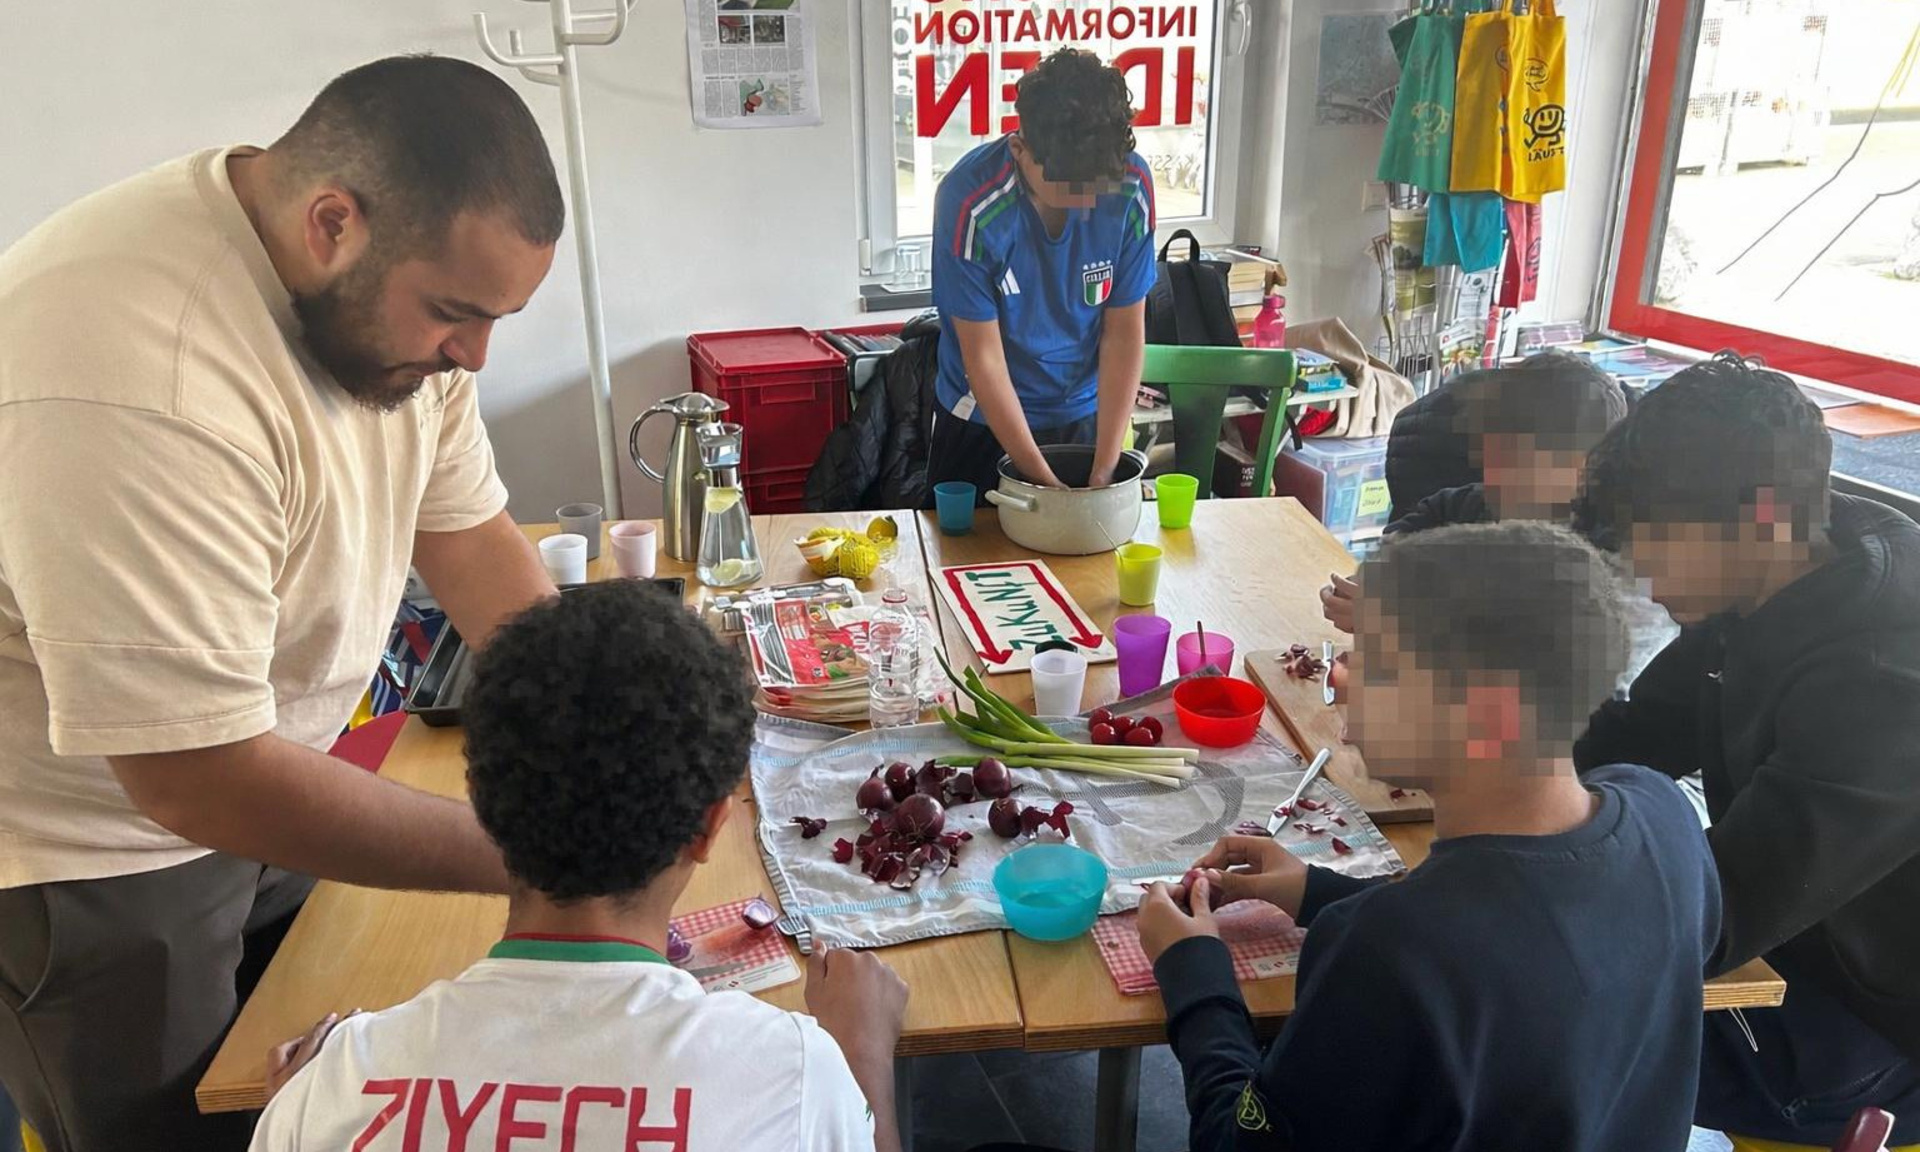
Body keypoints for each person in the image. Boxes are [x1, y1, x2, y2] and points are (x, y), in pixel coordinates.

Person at [0, 56, 566, 1151]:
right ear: (333, 224)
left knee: (306, 1091)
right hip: (101, 849)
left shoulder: (389, 324)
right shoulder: (135, 370)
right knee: (172, 1129)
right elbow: (193, 778)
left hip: (276, 765)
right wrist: (541, 857)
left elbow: (470, 536)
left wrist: (600, 714)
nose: (475, 356)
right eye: (456, 314)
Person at [250, 581, 909, 1151]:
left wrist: (303, 1112)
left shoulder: (331, 1086)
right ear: (709, 828)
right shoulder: (794, 1071)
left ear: (483, 801)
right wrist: (863, 1055)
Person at [1140, 521, 1722, 1152]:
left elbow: (1241, 1145)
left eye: (1378, 663)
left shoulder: (1385, 951)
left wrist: (1194, 973)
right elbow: (1524, 944)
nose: (1341, 680)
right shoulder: (1662, 812)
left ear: (1489, 714)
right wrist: (1319, 891)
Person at [1573, 354, 1920, 1150]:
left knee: (1524, 1030)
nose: (1644, 573)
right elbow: (1632, 735)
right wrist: (1472, 747)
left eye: (1655, 541)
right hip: (1786, 940)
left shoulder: (1885, 679)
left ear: (1762, 517)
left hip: (1875, 1025)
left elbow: (1719, 914)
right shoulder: (1772, 577)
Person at [928, 48, 1155, 498]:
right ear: (1020, 149)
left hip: (1084, 413)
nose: (1086, 204)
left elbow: (1124, 334)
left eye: (1095, 188)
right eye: (1069, 187)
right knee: (972, 542)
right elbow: (985, 361)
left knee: (1089, 540)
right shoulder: (970, 203)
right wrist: (1045, 485)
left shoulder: (1130, 187)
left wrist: (1105, 468)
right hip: (982, 419)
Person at [1320, 351, 1628, 633]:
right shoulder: (1463, 507)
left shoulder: (1599, 561)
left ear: (1583, 469)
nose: (1493, 468)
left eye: (1519, 457)